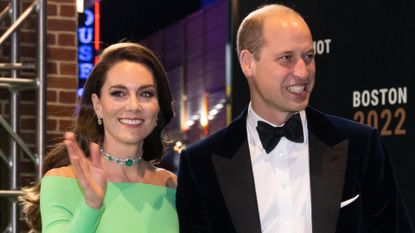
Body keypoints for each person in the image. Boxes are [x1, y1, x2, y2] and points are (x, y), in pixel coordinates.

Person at [176, 4, 401, 233]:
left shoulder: (361, 145)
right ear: (248, 62)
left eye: (308, 56)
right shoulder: (200, 165)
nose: (303, 72)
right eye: (286, 58)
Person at [20, 42, 178, 233]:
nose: (134, 106)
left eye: (146, 94)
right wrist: (91, 205)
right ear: (97, 105)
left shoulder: (172, 186)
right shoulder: (61, 180)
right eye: (118, 93)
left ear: (158, 106)